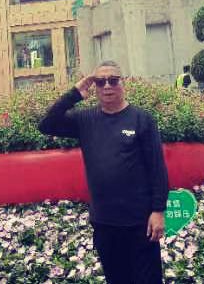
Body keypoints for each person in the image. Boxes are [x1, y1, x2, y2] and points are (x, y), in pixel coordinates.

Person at [39, 60, 169, 284]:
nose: (107, 86)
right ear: (95, 87)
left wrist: (158, 210)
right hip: (105, 222)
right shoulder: (85, 120)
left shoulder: (141, 119)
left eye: (113, 80)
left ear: (122, 83)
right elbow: (46, 125)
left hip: (140, 222)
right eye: (100, 82)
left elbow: (157, 167)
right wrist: (74, 94)